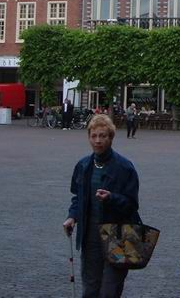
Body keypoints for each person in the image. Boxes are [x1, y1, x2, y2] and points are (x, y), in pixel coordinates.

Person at [63, 115, 140, 298]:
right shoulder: (83, 165)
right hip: (90, 236)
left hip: (118, 236)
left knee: (109, 291)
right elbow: (78, 197)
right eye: (94, 136)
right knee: (90, 288)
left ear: (110, 137)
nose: (98, 140)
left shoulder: (125, 167)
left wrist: (112, 198)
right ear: (89, 137)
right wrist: (72, 217)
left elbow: (132, 204)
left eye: (103, 136)